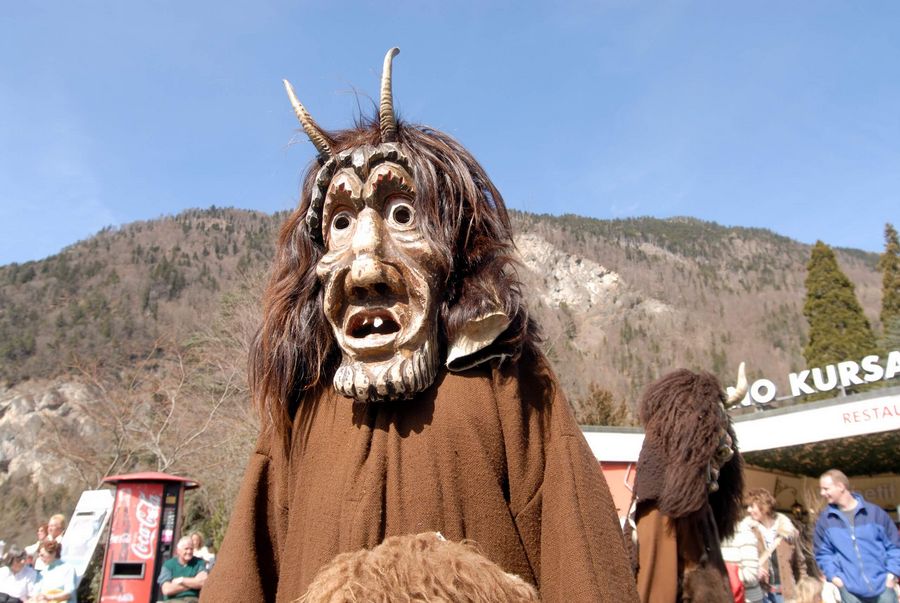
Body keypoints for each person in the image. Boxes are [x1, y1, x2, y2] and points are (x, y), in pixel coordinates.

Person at [202, 48, 638, 602]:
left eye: (402, 215)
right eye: (339, 223)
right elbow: (246, 570)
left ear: (452, 240)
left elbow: (582, 556)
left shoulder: (509, 383)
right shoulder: (301, 411)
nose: (365, 264)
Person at [626, 369, 746, 603]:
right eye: (717, 449)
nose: (722, 457)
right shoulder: (658, 515)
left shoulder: (703, 509)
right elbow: (655, 594)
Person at [814, 469, 900, 603]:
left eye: (826, 488)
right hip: (850, 592)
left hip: (883, 589)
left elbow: (895, 547)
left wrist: (891, 576)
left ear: (841, 486)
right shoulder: (825, 521)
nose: (822, 493)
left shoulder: (875, 514)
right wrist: (837, 579)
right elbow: (823, 554)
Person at [745, 487, 807, 602]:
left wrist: (804, 592)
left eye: (752, 506)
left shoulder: (789, 531)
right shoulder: (747, 532)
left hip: (786, 595)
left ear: (764, 507)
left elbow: (800, 564)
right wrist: (754, 570)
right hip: (759, 594)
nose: (748, 510)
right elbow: (739, 562)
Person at [721, 513, 765, 603]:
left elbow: (750, 574)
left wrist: (719, 576)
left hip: (746, 599)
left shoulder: (744, 534)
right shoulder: (713, 536)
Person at [157, 536, 207, 601]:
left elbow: (202, 582)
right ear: (178, 551)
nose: (189, 552)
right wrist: (193, 583)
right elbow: (167, 590)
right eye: (186, 549)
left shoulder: (199, 562)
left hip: (193, 600)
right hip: (172, 600)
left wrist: (181, 580)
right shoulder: (168, 565)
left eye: (191, 549)